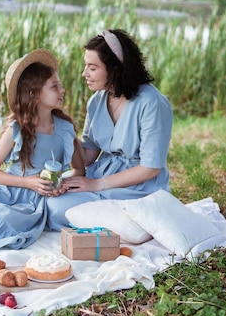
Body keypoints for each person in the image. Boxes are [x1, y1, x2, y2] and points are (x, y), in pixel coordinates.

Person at [47, 29, 173, 231]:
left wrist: (96, 185)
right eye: (85, 66)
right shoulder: (97, 101)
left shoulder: (152, 103)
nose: (84, 74)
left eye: (92, 67)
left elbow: (151, 167)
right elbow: (87, 155)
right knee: (52, 202)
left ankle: (122, 223)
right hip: (100, 176)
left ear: (115, 69)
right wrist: (62, 126)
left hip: (139, 187)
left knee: (58, 209)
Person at [0, 49, 84, 250]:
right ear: (34, 94)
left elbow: (79, 169)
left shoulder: (65, 129)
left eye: (60, 85)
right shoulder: (18, 129)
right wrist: (27, 182)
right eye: (54, 86)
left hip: (36, 198)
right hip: (11, 189)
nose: (62, 90)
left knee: (9, 221)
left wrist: (61, 184)